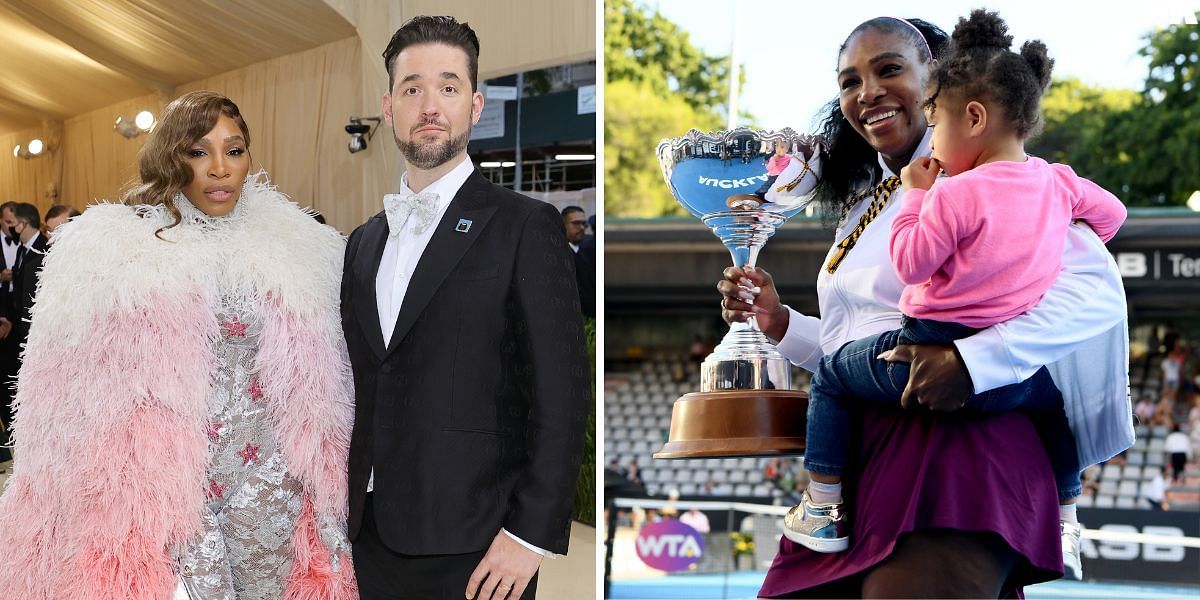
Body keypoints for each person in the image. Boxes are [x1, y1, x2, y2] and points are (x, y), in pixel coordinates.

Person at [718, 14, 1129, 596]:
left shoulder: (997, 178)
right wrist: (779, 322)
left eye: (889, 70)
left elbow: (1098, 295)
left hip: (960, 449)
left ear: (939, 79)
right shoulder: (869, 198)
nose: (868, 93)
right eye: (849, 81)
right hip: (870, 446)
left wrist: (971, 363)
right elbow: (858, 345)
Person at [0, 91, 357, 598]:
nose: (219, 168)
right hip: (168, 492)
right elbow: (60, 396)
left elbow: (333, 381)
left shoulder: (299, 248)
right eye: (198, 151)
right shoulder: (112, 252)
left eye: (234, 151)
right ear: (172, 156)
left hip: (273, 483)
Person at [340, 16, 589, 600]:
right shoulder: (362, 241)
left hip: (479, 549)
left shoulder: (527, 226)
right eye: (413, 88)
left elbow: (563, 391)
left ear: (475, 105)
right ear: (389, 106)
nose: (430, 105)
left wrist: (529, 535)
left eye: (448, 87)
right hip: (367, 540)